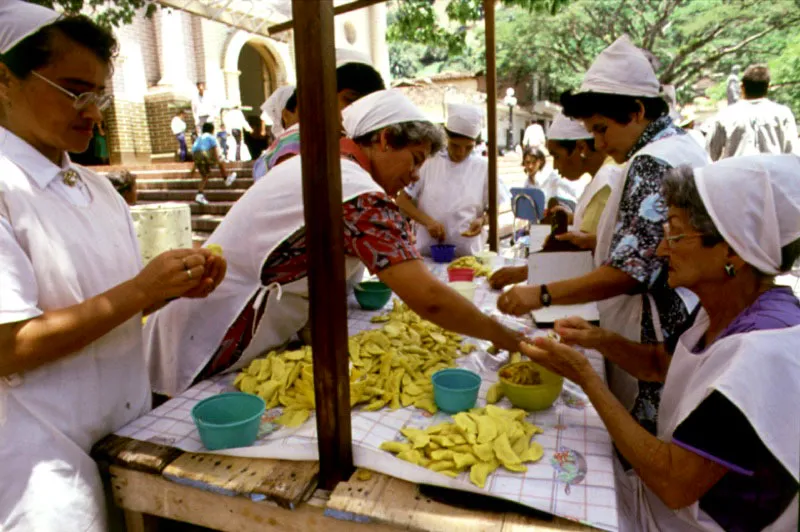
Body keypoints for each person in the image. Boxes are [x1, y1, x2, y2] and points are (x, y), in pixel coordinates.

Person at [0, 5, 227, 530]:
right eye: (74, 90)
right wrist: (142, 292)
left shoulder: (98, 189)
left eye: (99, 95)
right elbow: (8, 345)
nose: (93, 112)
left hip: (126, 435)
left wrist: (170, 287)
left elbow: (109, 300)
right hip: (43, 465)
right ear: (4, 80)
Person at [144, 90, 526, 396]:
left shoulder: (330, 167)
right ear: (385, 139)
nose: (412, 177)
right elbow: (429, 298)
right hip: (208, 333)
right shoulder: (357, 194)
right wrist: (508, 338)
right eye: (414, 160)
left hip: (210, 326)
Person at [520, 155, 800, 531]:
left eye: (676, 233)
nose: (660, 250)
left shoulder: (761, 355)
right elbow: (658, 364)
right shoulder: (720, 306)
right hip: (661, 502)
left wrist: (586, 376)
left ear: (732, 251)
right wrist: (599, 339)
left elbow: (673, 483)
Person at [496, 35, 709, 434]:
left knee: (645, 433)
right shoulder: (682, 145)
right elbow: (650, 244)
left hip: (654, 326)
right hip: (680, 317)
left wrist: (541, 293)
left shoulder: (650, 162)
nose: (598, 143)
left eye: (601, 129)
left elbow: (632, 272)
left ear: (637, 111)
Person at [490, 113, 622, 288]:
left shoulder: (605, 180)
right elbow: (599, 233)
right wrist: (573, 218)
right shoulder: (604, 173)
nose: (555, 167)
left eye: (557, 156)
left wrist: (523, 272)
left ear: (580, 148)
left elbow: (582, 256)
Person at [252, 50, 385, 180]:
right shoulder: (299, 143)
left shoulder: (339, 142)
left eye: (368, 104)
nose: (359, 109)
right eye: (350, 100)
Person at [396, 103, 508, 257]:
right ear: (446, 139)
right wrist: (428, 222)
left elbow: (495, 206)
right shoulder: (429, 161)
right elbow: (402, 201)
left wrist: (482, 221)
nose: (461, 152)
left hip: (468, 254)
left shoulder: (483, 167)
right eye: (455, 146)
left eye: (468, 147)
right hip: (429, 253)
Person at [706, 64, 798, 160]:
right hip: (773, 173)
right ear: (768, 87)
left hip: (736, 173)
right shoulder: (782, 113)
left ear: (742, 87)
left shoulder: (726, 115)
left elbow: (709, 154)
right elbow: (793, 152)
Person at [522, 146, 587, 208]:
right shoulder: (527, 183)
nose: (530, 166)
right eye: (527, 162)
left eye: (534, 162)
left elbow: (573, 189)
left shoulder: (550, 176)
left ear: (540, 162)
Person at [190, 122, 236, 204]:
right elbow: (214, 149)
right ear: (212, 130)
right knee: (220, 161)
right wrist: (217, 160)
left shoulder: (199, 138)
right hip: (205, 154)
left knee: (205, 175)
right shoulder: (211, 137)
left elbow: (195, 151)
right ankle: (226, 179)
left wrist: (193, 168)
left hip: (196, 156)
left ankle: (199, 195)